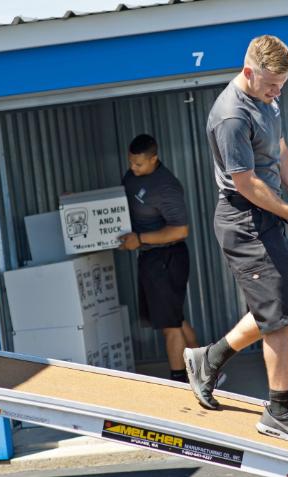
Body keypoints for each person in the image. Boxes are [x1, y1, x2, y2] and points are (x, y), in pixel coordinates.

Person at [184, 35, 288, 448]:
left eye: (281, 85)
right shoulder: (231, 116)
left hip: (266, 215)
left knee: (279, 308)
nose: (276, 93)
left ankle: (207, 359)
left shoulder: (268, 99)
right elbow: (246, 184)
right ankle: (278, 412)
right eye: (271, 85)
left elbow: (281, 154)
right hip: (243, 219)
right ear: (249, 72)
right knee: (281, 315)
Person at [119, 134, 200, 383]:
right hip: (150, 257)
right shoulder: (132, 176)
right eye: (131, 162)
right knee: (174, 317)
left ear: (154, 159)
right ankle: (206, 370)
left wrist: (140, 238)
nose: (133, 168)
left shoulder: (166, 187)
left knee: (170, 325)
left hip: (168, 257)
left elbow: (180, 230)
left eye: (139, 164)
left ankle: (179, 380)